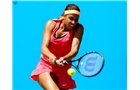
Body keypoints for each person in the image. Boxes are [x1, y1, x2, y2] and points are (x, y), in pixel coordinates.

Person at [30, 4, 84, 90]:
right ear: (64, 16)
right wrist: (52, 57)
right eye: (71, 18)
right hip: (46, 65)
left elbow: (74, 50)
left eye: (76, 20)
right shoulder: (51, 24)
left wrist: (64, 58)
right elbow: (44, 47)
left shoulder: (79, 28)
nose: (74, 22)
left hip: (64, 70)